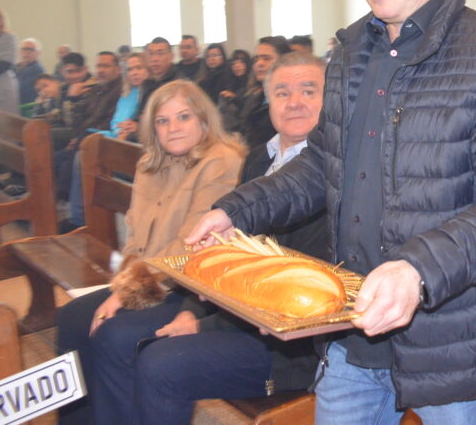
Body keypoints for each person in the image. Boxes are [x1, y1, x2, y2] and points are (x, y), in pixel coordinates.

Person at [186, 0, 476, 424]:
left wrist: (416, 270)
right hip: (352, 322)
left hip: (450, 331)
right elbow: (322, 163)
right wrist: (237, 210)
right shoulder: (352, 52)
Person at [99, 52, 328, 425]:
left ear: (331, 97)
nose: (295, 102)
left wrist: (205, 325)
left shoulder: (335, 173)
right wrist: (193, 309)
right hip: (239, 314)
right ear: (267, 100)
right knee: (130, 343)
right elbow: (225, 254)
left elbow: (293, 284)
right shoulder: (259, 160)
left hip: (292, 342)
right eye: (282, 92)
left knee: (161, 365)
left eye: (309, 90)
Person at [56, 79, 245, 425]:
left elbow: (191, 247)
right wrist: (122, 287)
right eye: (163, 120)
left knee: (115, 334)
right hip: (151, 281)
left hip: (196, 291)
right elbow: (135, 236)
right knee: (72, 318)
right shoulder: (150, 165)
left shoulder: (221, 162)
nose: (173, 128)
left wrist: (127, 293)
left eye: (183, 117)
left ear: (204, 120)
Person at [61, 52, 149, 231]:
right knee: (82, 152)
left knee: (82, 155)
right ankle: (80, 218)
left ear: (147, 69)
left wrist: (131, 131)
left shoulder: (151, 91)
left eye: (139, 68)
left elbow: (142, 125)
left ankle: (80, 219)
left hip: (135, 148)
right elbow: (116, 123)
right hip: (117, 139)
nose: (135, 73)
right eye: (130, 69)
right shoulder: (127, 94)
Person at [220, 37, 291, 150]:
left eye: (266, 58)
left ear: (284, 61)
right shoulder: (255, 97)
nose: (259, 63)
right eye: (256, 59)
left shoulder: (291, 101)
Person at [16, 37, 45, 107]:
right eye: (24, 49)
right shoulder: (17, 67)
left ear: (38, 53)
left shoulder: (37, 69)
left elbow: (22, 90)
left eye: (31, 49)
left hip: (28, 109)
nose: (27, 52)